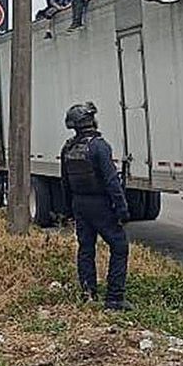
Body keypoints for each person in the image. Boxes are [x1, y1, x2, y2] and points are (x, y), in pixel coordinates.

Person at [59, 102, 131, 310]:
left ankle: (88, 293)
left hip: (79, 204)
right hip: (100, 204)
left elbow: (65, 183)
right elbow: (111, 181)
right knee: (119, 246)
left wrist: (68, 210)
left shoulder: (68, 148)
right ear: (90, 121)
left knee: (86, 249)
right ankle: (115, 298)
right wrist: (122, 209)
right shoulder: (99, 146)